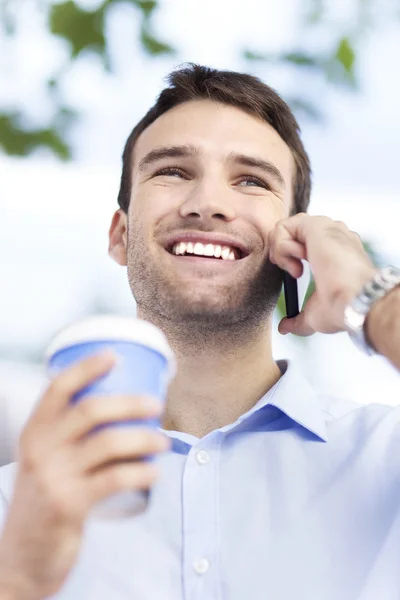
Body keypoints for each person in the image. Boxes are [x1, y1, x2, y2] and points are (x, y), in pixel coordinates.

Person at [0, 63, 399, 600]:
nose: (208, 202)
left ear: (298, 245)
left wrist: (368, 295)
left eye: (252, 180)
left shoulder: (385, 457)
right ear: (120, 235)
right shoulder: (17, 505)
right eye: (172, 171)